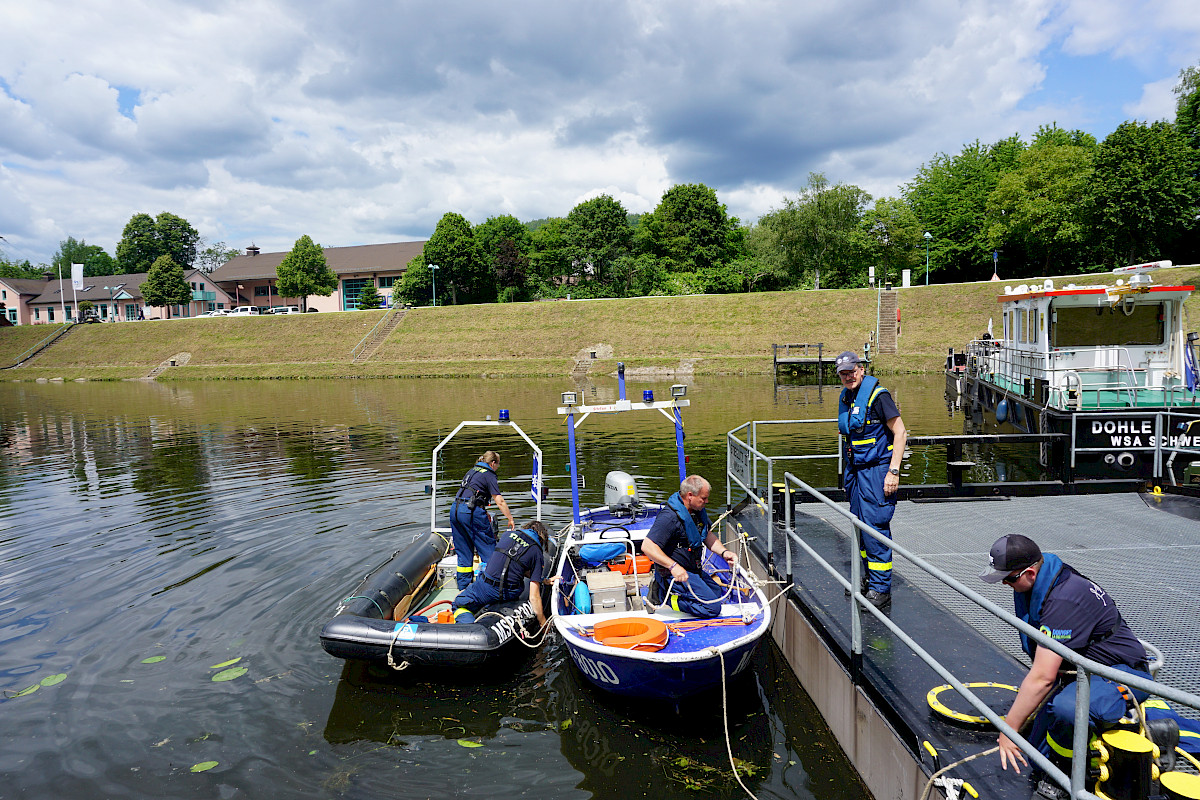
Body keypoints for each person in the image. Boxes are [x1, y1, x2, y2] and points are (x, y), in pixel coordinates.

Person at [980, 534, 1151, 780]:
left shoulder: (1063, 599)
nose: (1005, 586)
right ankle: (1061, 760)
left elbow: (1042, 678)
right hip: (1083, 672)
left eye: (1007, 579)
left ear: (1030, 574)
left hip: (1120, 672)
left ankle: (1068, 776)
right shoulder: (1041, 580)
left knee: (1067, 709)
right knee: (1036, 754)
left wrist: (1009, 731)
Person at [836, 350, 907, 610]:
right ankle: (868, 578)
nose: (848, 376)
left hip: (877, 471)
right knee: (860, 526)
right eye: (843, 373)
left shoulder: (879, 397)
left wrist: (894, 472)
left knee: (876, 528)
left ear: (861, 369)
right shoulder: (848, 396)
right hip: (856, 471)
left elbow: (900, 433)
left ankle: (881, 590)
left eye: (852, 371)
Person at [640, 475, 738, 619]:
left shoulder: (696, 512)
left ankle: (676, 594)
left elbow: (707, 535)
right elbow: (647, 546)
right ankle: (664, 596)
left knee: (716, 592)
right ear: (690, 496)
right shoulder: (669, 518)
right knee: (712, 608)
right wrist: (673, 567)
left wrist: (724, 552)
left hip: (693, 570)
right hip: (674, 574)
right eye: (703, 498)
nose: (707, 501)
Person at [453, 520, 549, 627]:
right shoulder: (536, 552)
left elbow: (508, 564)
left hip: (486, 588)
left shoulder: (507, 535)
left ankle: (468, 627)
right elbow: (534, 596)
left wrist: (543, 579)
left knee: (458, 604)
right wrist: (542, 621)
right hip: (510, 593)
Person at [450, 450, 515, 590]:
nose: (498, 468)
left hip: (455, 510)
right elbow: (499, 500)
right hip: (471, 512)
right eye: (498, 465)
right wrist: (510, 518)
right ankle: (487, 587)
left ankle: (464, 588)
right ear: (493, 463)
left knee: (463, 552)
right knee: (488, 549)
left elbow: (472, 492)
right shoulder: (489, 474)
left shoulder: (472, 470)